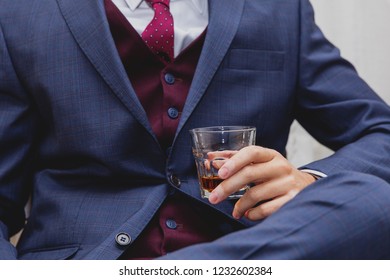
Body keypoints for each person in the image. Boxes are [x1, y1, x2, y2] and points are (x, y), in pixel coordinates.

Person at [1, 0, 390, 260]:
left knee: (373, 199)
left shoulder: (280, 9)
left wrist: (309, 180)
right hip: (86, 260)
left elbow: (381, 133)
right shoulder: (20, 14)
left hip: (249, 253)